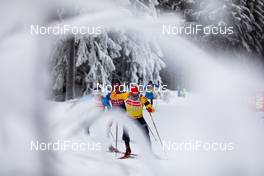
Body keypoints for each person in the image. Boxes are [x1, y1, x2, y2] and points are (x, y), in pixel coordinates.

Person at [111, 85, 155, 157]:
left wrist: (150, 109)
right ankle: (128, 149)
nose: (134, 94)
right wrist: (114, 90)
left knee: (146, 132)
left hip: (139, 118)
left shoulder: (142, 98)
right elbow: (113, 97)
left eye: (136, 92)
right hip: (129, 118)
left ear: (138, 91)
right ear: (131, 92)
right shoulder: (126, 95)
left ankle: (149, 150)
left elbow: (150, 107)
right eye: (133, 92)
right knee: (125, 133)